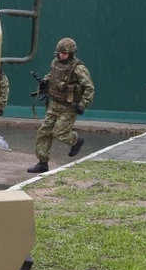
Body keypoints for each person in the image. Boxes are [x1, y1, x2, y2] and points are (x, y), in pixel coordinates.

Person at [27, 38, 95, 173]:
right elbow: (51, 75)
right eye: (60, 53)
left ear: (72, 53)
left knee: (59, 133)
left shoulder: (78, 68)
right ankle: (42, 162)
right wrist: (45, 82)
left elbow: (89, 87)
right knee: (44, 132)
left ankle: (76, 141)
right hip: (55, 103)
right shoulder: (56, 62)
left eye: (65, 53)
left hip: (69, 107)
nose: (61, 55)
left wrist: (83, 104)